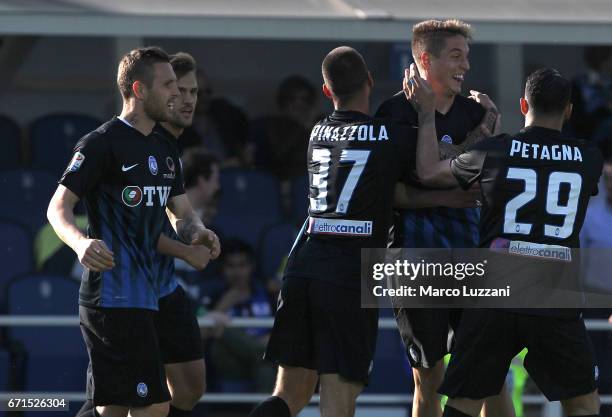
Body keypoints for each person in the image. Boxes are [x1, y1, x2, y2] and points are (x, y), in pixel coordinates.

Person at [407, 65, 603, 417]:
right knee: (583, 403)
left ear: (523, 106)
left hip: (496, 292)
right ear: (569, 110)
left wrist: (425, 115)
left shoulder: (494, 152)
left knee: (465, 404)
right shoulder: (587, 157)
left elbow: (428, 172)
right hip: (554, 296)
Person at [46, 46, 220, 417]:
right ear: (139, 90)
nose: (177, 92)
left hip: (149, 295)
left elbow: (181, 210)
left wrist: (198, 232)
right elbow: (57, 207)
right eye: (169, 84)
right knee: (148, 406)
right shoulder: (100, 144)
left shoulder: (165, 146)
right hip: (113, 297)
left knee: (121, 408)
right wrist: (79, 242)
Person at [248, 46, 417, 417]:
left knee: (289, 394)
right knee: (340, 395)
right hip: (348, 276)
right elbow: (426, 175)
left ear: (327, 92)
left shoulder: (318, 131)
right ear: (370, 80)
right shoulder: (390, 135)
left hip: (303, 268)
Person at [376, 19, 510, 417]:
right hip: (416, 258)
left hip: (471, 257)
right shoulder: (394, 113)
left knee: (490, 372)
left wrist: (483, 131)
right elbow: (397, 191)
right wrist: (454, 194)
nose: (465, 66)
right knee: (429, 378)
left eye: (466, 57)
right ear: (424, 59)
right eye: (455, 56)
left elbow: (478, 184)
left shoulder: (476, 113)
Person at [207, 239, 276, 392]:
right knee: (222, 330)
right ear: (222, 268)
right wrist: (225, 303)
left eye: (242, 265)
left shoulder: (267, 292)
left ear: (252, 266)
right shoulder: (214, 293)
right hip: (230, 359)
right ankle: (264, 354)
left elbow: (283, 326)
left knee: (265, 369)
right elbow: (202, 332)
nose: (237, 272)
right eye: (231, 266)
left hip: (261, 358)